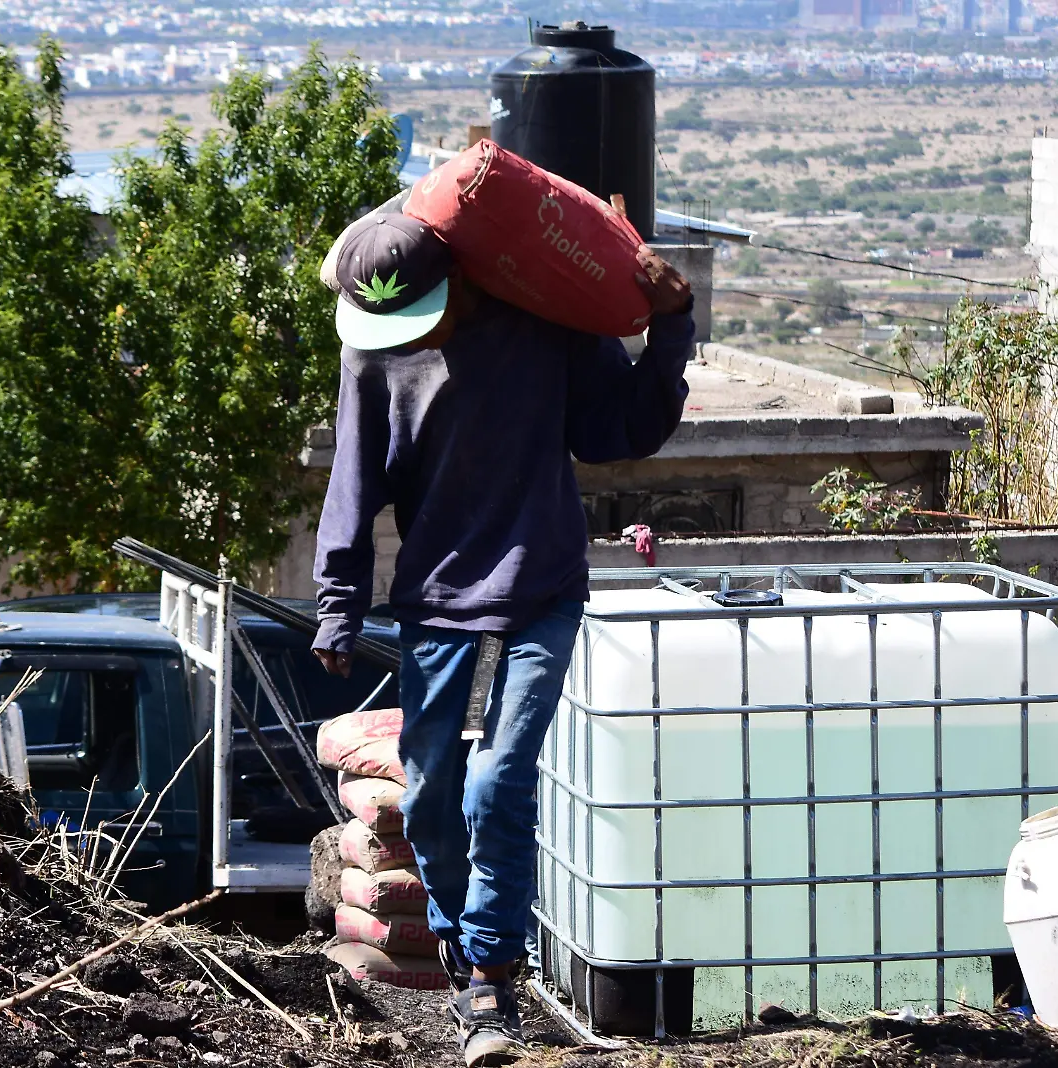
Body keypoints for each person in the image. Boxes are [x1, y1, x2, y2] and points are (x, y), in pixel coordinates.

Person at [311, 212, 693, 1067]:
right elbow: (353, 478)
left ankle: (491, 977)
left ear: (458, 281)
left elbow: (617, 432)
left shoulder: (543, 323)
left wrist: (671, 330)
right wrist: (339, 603)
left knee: (498, 782)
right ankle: (458, 941)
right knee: (434, 799)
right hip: (438, 599)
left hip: (542, 585)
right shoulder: (374, 353)